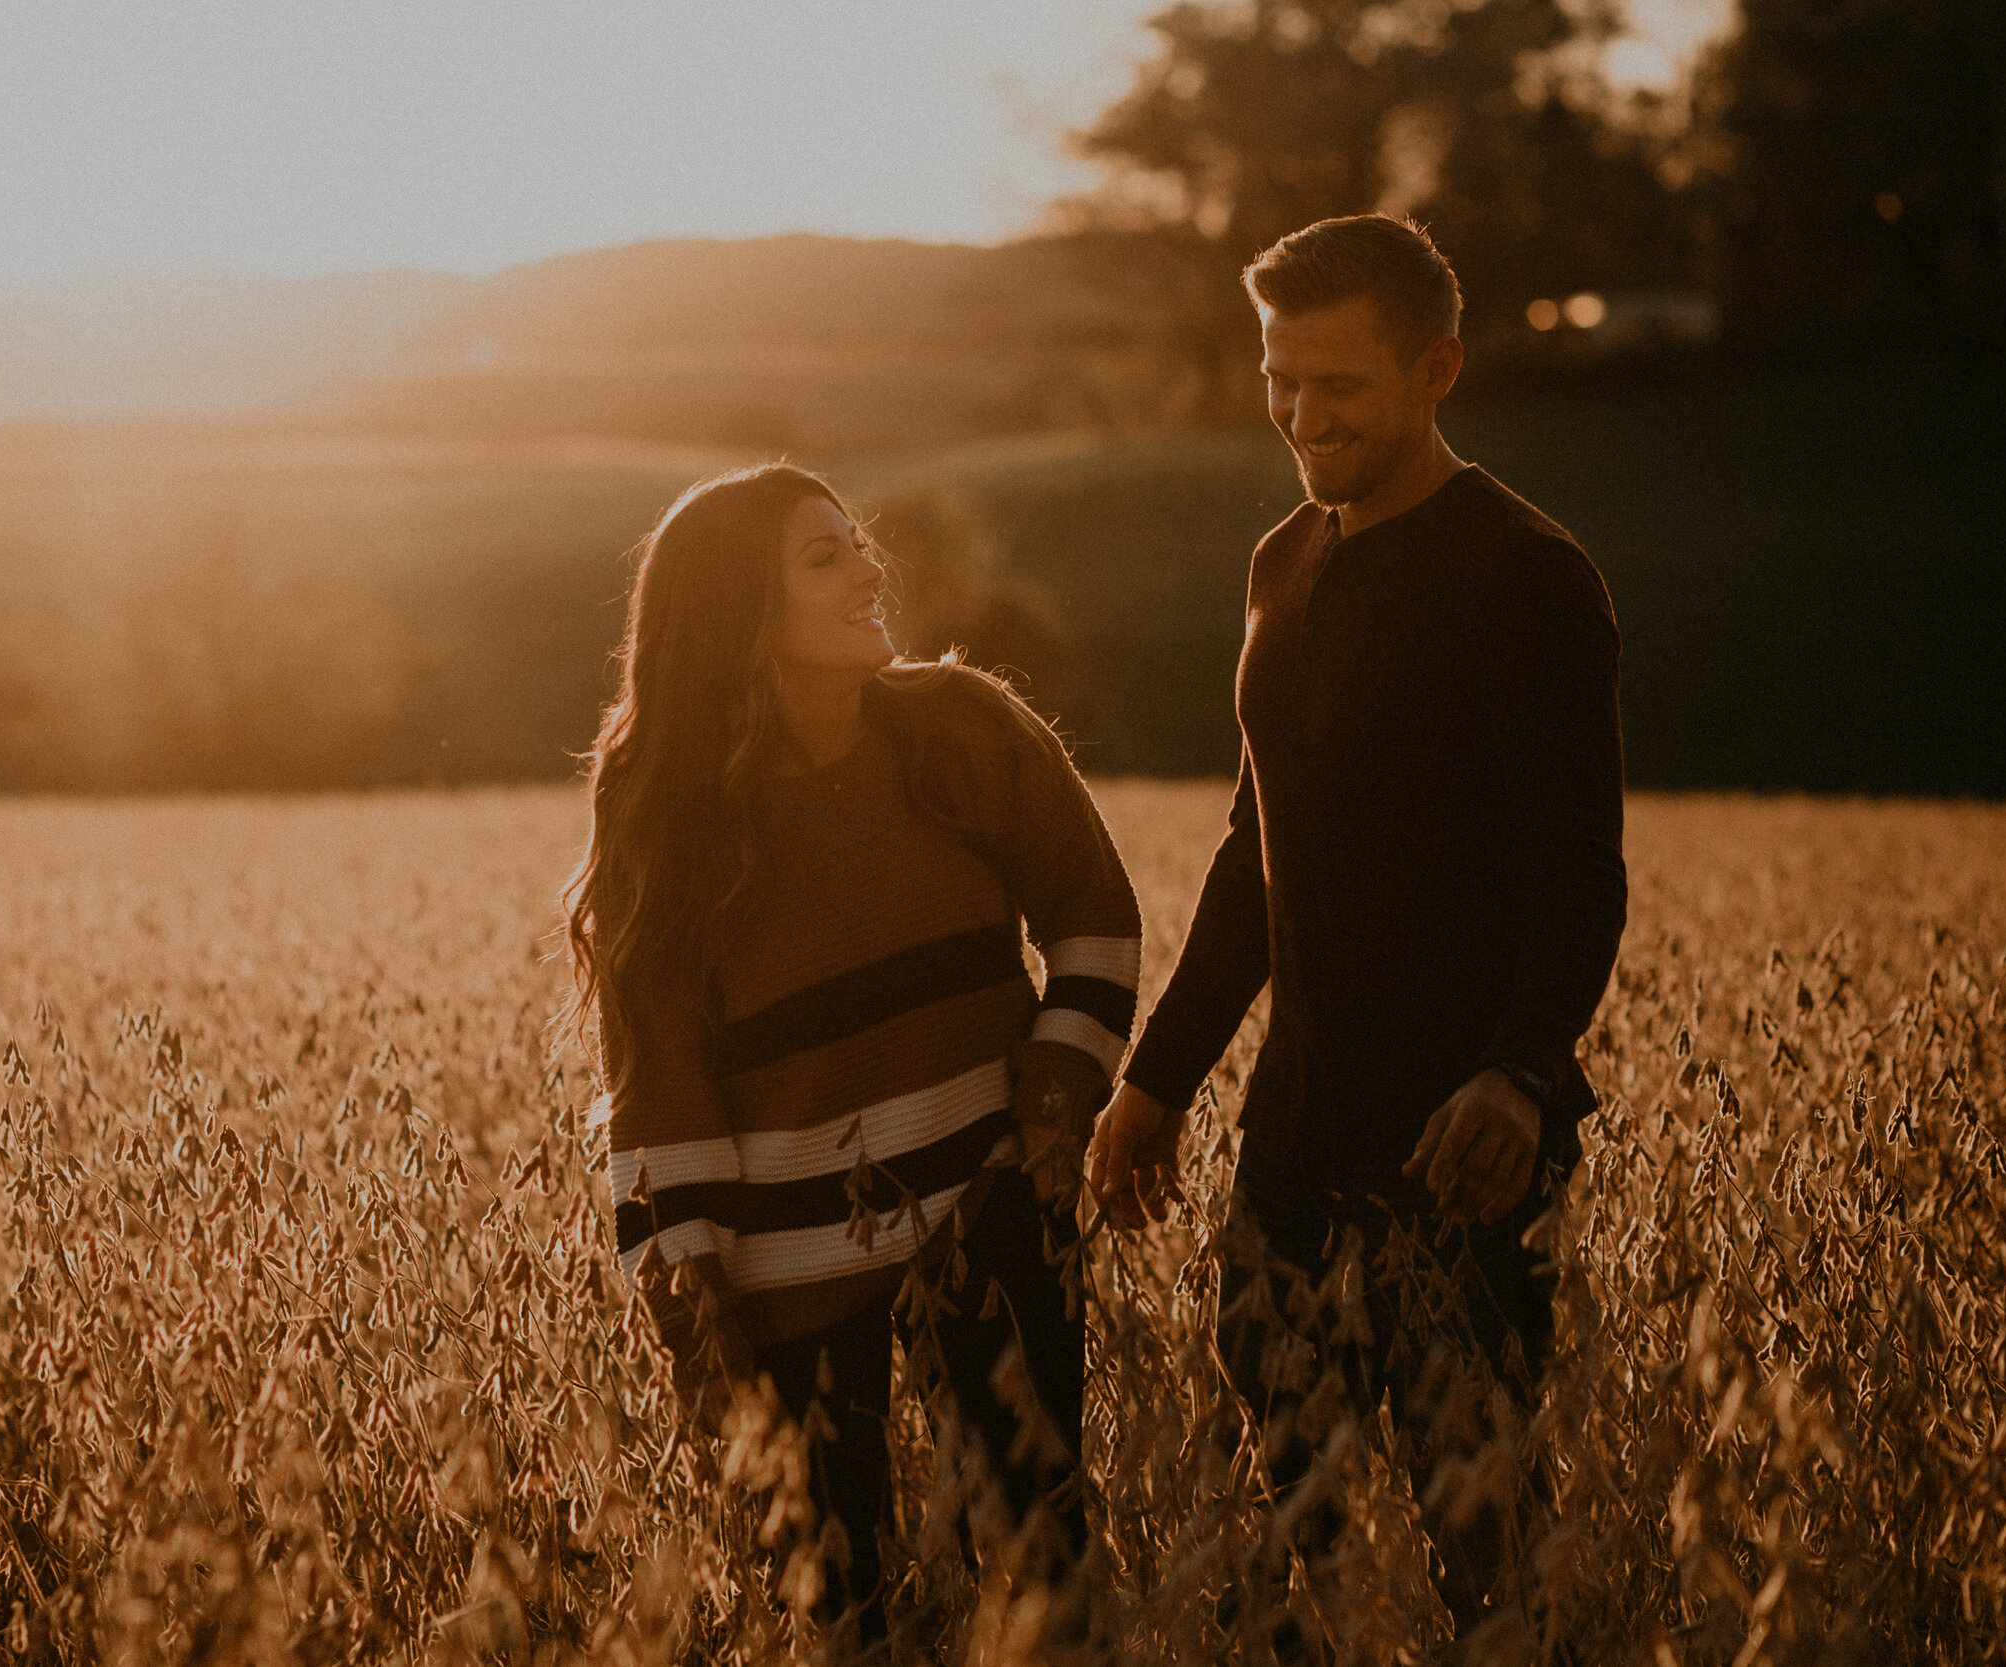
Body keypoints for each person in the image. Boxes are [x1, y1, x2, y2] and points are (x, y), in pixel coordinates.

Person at [1085, 215, 1626, 1635]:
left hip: (1465, 1158)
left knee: (1488, 1551)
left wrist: (1519, 1071)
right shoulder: (1280, 566)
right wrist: (1158, 1077)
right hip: (1292, 1142)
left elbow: (1582, 873)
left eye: (1342, 386)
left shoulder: (1526, 576)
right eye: (1281, 380)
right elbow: (1254, 851)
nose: (1303, 418)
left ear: (1437, 366)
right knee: (1265, 1551)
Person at [563, 464, 1140, 1656]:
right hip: (786, 1276)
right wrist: (695, 1306)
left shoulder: (964, 728)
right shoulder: (665, 813)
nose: (871, 569)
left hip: (996, 1211)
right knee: (848, 1606)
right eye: (823, 557)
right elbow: (661, 1081)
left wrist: (1054, 1089)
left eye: (856, 543)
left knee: (1045, 1574)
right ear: (737, 612)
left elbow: (1090, 906)